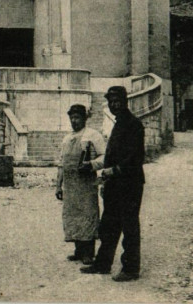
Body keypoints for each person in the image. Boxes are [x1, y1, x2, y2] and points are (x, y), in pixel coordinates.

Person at [80, 85, 145, 282]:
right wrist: (106, 180)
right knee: (109, 225)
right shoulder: (117, 124)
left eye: (118, 101)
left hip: (130, 184)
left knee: (129, 226)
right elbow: (111, 155)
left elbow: (136, 158)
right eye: (111, 102)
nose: (114, 105)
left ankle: (131, 268)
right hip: (115, 184)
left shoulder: (134, 125)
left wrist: (113, 171)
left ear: (125, 102)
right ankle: (103, 263)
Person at [56, 104, 105, 264]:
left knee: (87, 215)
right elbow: (61, 164)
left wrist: (90, 164)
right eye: (72, 118)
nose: (74, 121)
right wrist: (58, 185)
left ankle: (88, 253)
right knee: (73, 216)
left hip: (86, 184)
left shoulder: (93, 135)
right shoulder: (67, 138)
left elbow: (104, 157)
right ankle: (78, 250)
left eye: (77, 118)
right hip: (70, 185)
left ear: (85, 118)